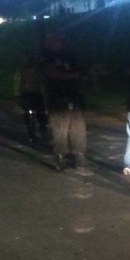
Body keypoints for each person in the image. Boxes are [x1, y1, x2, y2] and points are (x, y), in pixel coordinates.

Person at [40, 34, 87, 171]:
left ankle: (79, 155)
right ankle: (60, 156)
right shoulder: (46, 57)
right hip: (57, 99)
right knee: (59, 130)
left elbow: (81, 70)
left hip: (74, 97)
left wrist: (86, 74)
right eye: (56, 41)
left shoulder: (70, 56)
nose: (60, 43)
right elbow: (52, 73)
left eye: (61, 41)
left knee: (78, 129)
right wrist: (72, 75)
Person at [13, 50, 48, 144]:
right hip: (27, 94)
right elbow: (17, 83)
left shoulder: (37, 70)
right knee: (28, 115)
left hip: (35, 93)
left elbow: (42, 83)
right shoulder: (21, 71)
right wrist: (17, 96)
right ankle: (32, 133)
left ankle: (42, 128)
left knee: (40, 114)